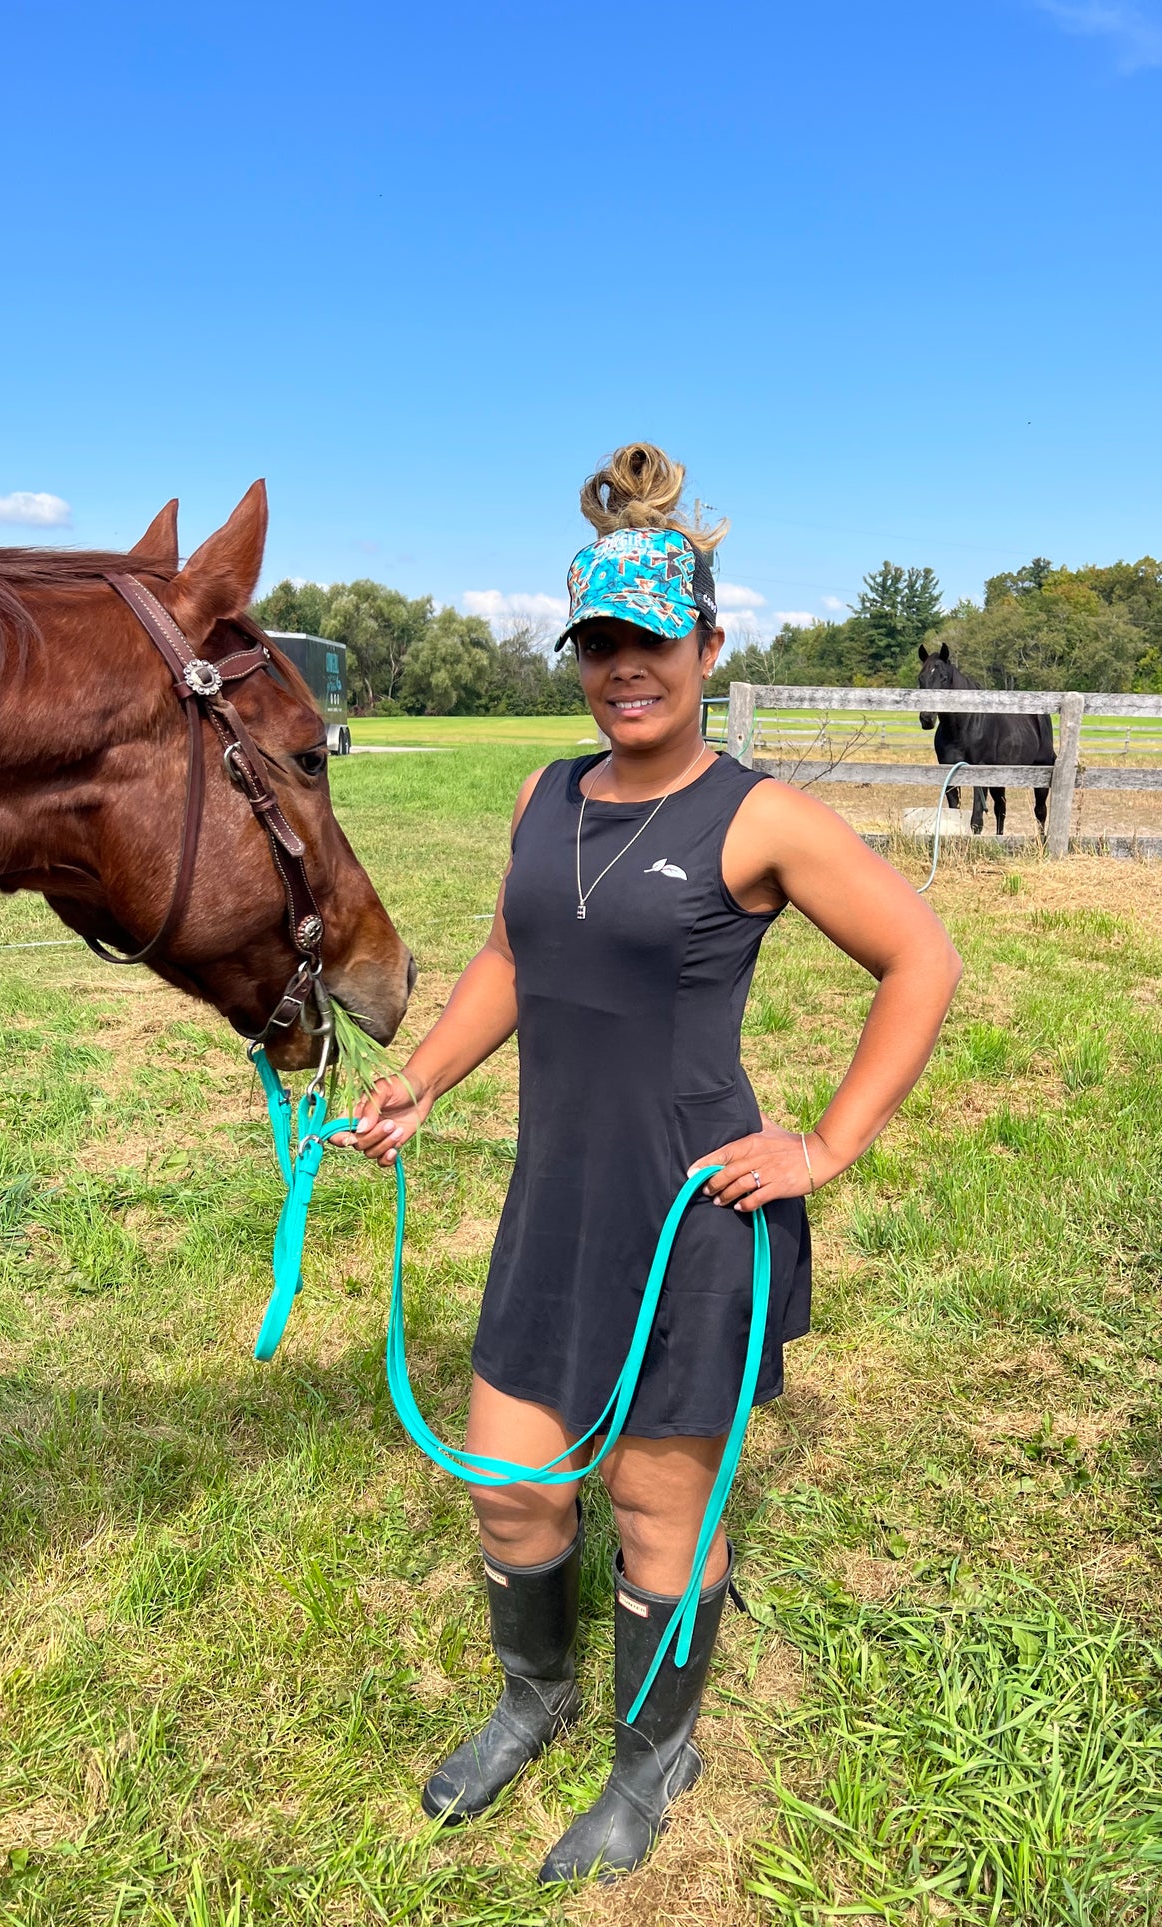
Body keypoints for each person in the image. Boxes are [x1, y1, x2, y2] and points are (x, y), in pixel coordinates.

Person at [335, 443, 961, 1885]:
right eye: (599, 643)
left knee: (651, 1509)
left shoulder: (760, 817)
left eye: (651, 641)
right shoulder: (544, 798)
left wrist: (826, 1141)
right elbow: (508, 956)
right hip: (553, 1200)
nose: (625, 669)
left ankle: (647, 1755)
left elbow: (918, 958)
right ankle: (532, 1696)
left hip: (691, 1213)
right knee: (508, 1485)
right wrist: (421, 1080)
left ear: (707, 643)